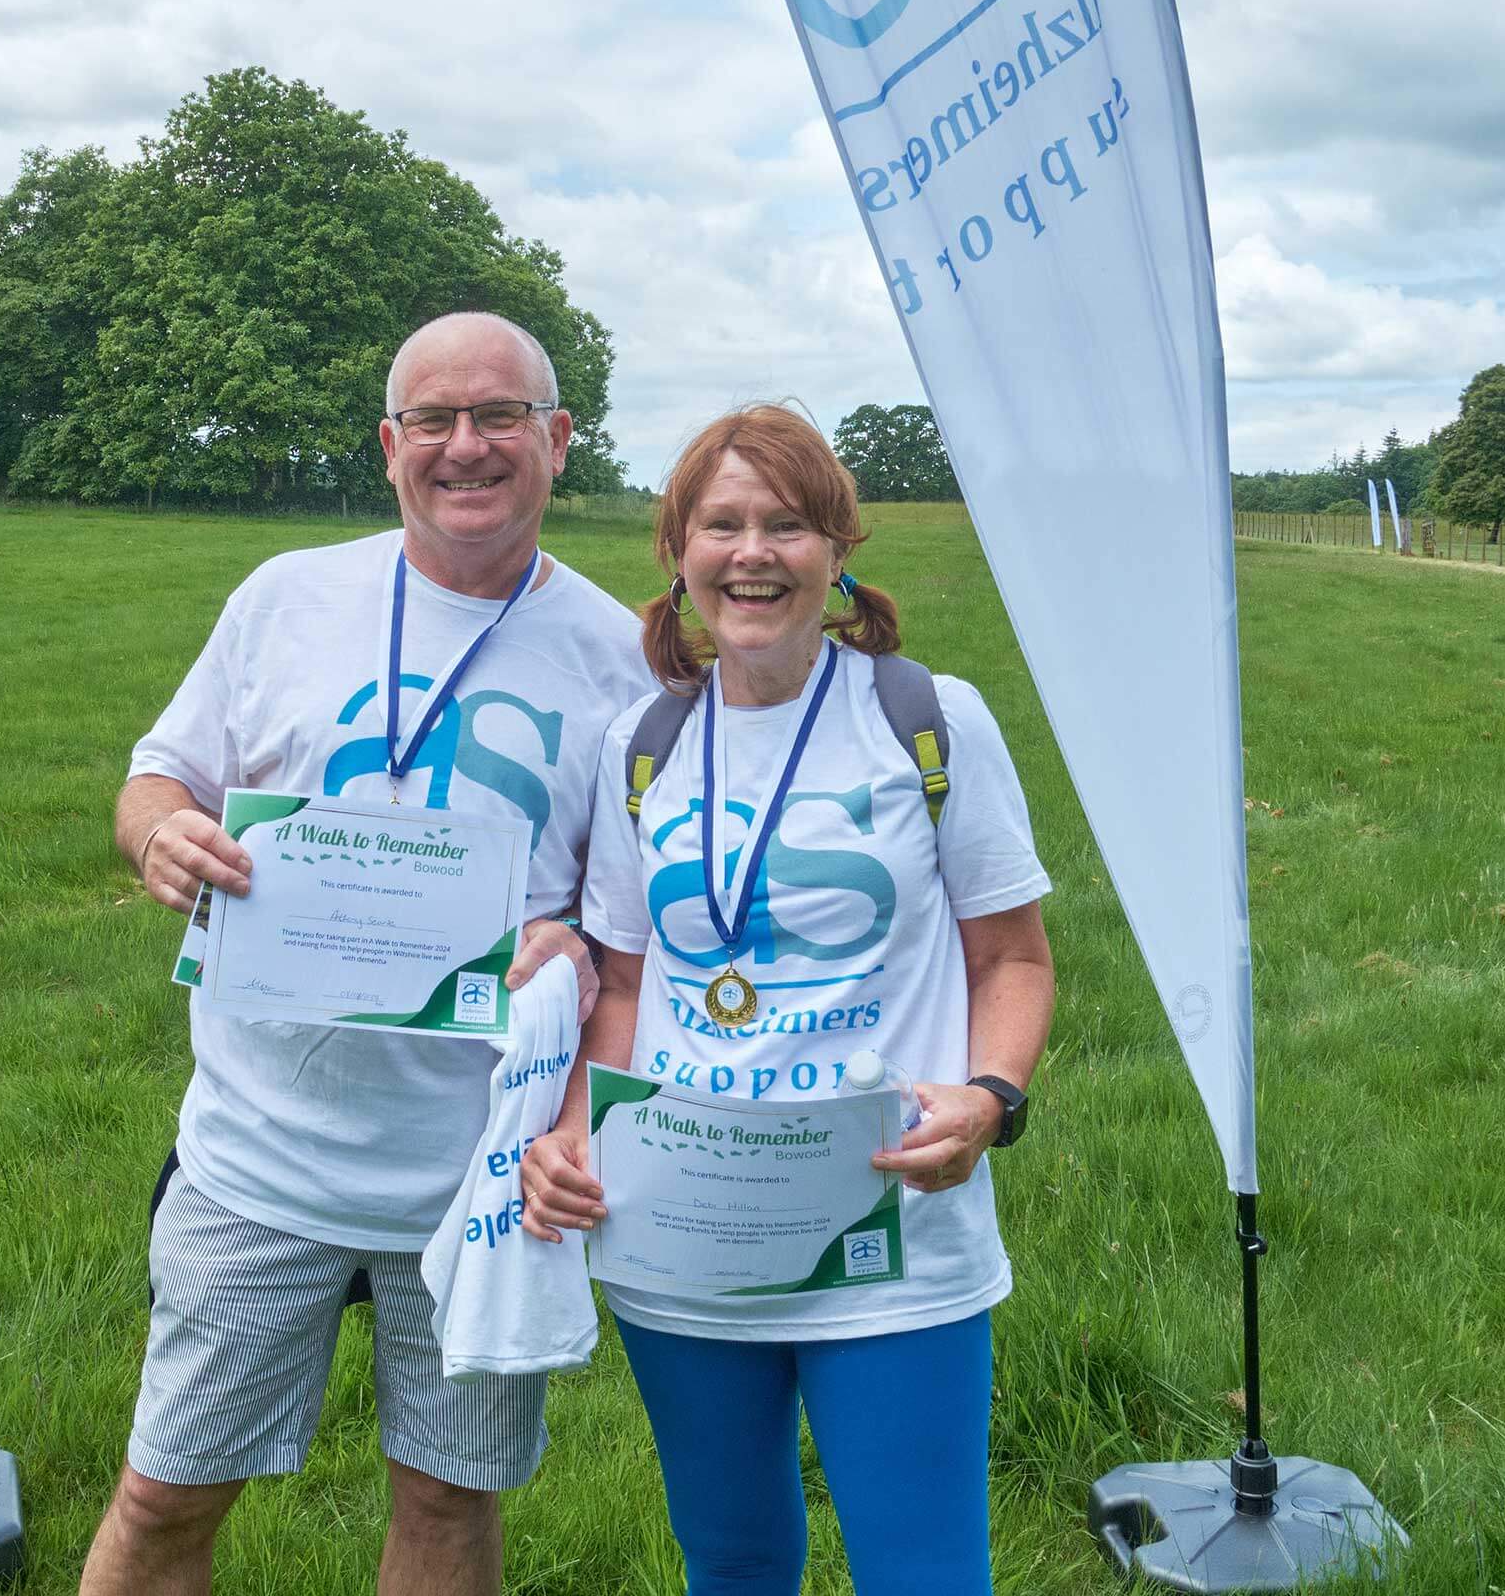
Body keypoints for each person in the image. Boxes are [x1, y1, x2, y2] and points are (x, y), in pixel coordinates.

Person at [84, 312, 655, 1596]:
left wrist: (568, 954)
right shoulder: (287, 595)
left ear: (559, 441)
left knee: (449, 1502)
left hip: (477, 1169)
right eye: (435, 419)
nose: (468, 445)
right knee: (165, 1493)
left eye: (501, 416)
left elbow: (634, 942)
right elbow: (160, 773)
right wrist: (164, 836)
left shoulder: (624, 662)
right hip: (258, 1150)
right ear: (389, 443)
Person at [523, 405, 1057, 1594]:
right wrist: (572, 1125)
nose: (752, 552)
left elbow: (1012, 960)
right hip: (684, 1231)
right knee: (735, 1562)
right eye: (722, 523)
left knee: (925, 1573)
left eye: (787, 524)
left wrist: (989, 1097)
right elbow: (620, 976)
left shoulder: (928, 719)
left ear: (837, 550)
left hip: (892, 1227)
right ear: (677, 553)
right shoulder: (642, 744)